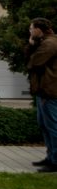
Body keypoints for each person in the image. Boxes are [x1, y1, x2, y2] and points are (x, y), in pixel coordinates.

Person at [27, 18, 57, 173]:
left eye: (32, 29)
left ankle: (55, 161)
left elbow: (35, 61)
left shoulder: (50, 44)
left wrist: (33, 44)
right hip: (43, 91)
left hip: (50, 91)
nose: (30, 32)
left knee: (52, 126)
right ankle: (50, 156)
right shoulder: (44, 43)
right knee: (44, 125)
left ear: (39, 29)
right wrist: (33, 44)